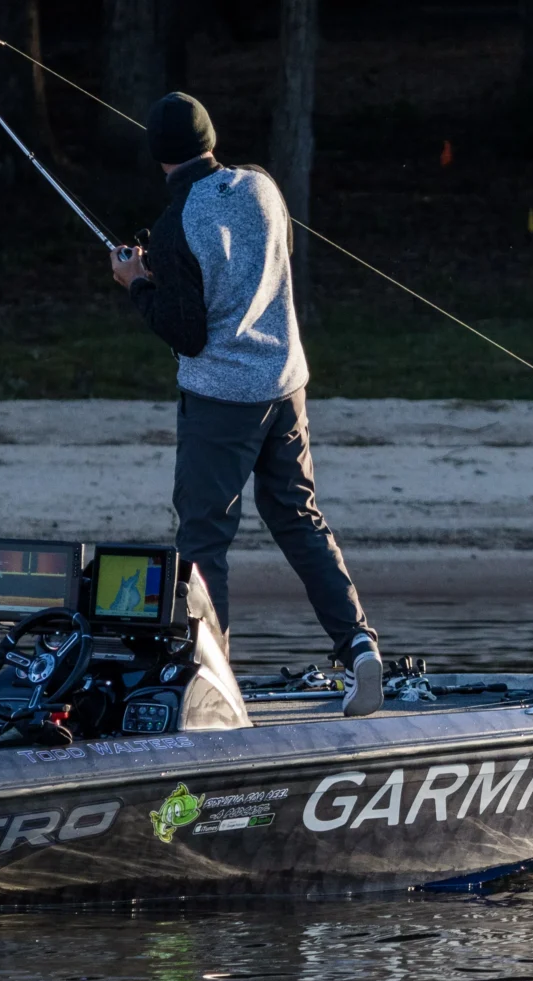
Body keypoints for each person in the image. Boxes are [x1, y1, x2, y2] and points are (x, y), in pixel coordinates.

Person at [109, 91, 383, 717]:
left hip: (220, 401)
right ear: (210, 139)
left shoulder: (179, 222)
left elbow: (188, 331)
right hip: (286, 386)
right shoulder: (263, 186)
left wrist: (137, 282)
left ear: (159, 157)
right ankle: (360, 647)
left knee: (204, 542)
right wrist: (164, 274)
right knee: (300, 519)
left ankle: (216, 689)